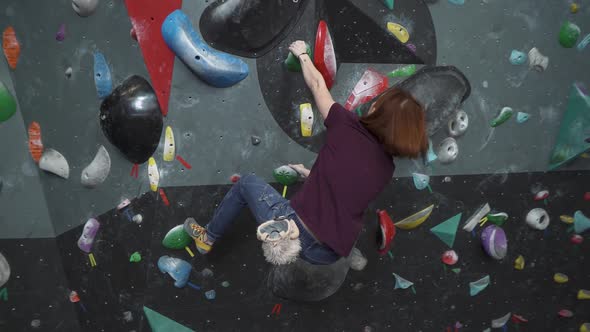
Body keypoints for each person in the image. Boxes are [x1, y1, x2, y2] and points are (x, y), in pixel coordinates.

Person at [184, 40, 428, 265]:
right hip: (327, 254)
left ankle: (208, 237)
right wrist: (311, 174)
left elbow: (317, 84)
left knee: (246, 183)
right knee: (311, 223)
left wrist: (302, 54)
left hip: (299, 232)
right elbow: (348, 187)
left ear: (377, 108)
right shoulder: (387, 169)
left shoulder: (347, 126)